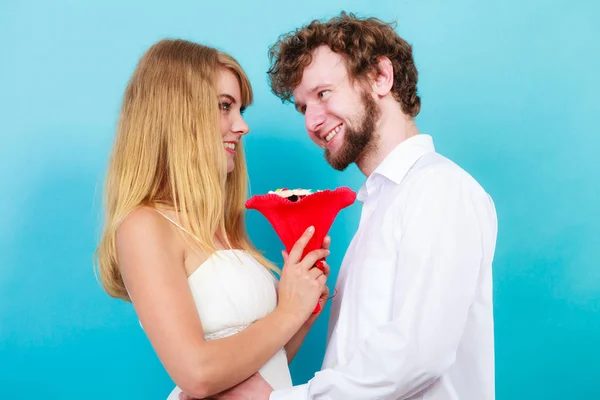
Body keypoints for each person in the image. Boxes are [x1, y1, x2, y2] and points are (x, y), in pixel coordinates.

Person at [194, 11, 499, 400]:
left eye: (323, 94)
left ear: (380, 77)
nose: (313, 122)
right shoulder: (382, 203)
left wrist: (278, 399)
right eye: (303, 108)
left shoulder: (439, 188)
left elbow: (419, 353)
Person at [94, 39, 332, 400]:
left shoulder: (220, 229)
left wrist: (303, 309)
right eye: (225, 107)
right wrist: (287, 312)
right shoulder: (145, 226)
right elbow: (198, 375)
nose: (242, 126)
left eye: (240, 109)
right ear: (175, 114)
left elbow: (262, 368)